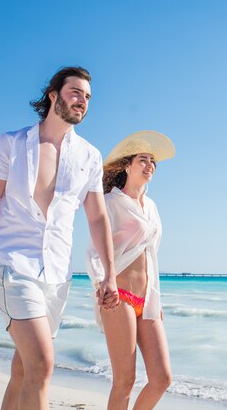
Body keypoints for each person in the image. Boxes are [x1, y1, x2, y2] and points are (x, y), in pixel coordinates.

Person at [0, 66, 118, 410]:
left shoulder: (89, 156)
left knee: (24, 369)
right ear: (53, 95)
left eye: (88, 97)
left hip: (57, 276)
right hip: (14, 267)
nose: (82, 101)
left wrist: (110, 275)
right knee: (42, 365)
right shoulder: (12, 144)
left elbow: (98, 218)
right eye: (75, 92)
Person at [87, 131, 175, 410]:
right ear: (127, 165)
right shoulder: (111, 202)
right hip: (118, 296)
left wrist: (155, 298)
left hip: (146, 300)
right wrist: (103, 282)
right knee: (125, 380)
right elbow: (94, 250)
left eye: (153, 161)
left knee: (162, 378)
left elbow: (151, 255)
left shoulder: (152, 207)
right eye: (143, 159)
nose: (150, 165)